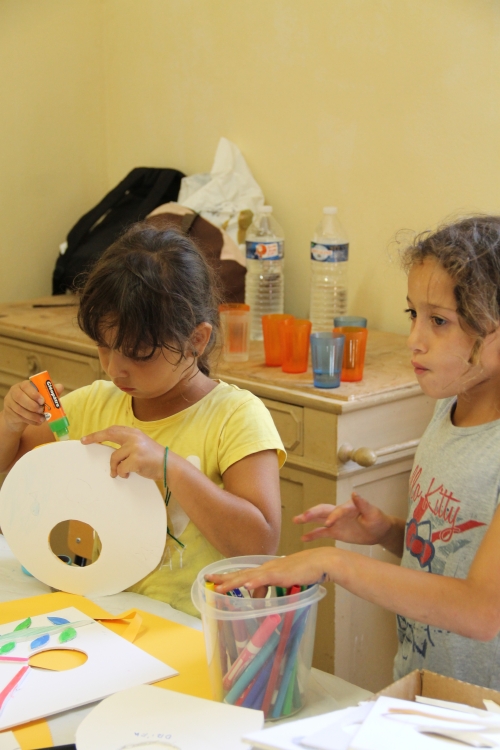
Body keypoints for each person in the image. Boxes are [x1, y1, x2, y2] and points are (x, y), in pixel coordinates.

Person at [209, 215, 500, 689]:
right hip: (423, 686)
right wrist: (388, 533)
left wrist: (337, 563)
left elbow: (483, 610)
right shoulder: (449, 407)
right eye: (414, 315)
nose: (415, 339)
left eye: (440, 321)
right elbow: (453, 555)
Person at [0, 223, 285, 617]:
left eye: (138, 352)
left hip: (195, 633)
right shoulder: (90, 406)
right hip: (100, 622)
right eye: (104, 345)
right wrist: (10, 425)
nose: (115, 369)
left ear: (196, 340)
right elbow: (12, 489)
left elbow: (260, 544)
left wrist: (172, 468)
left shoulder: (236, 417)